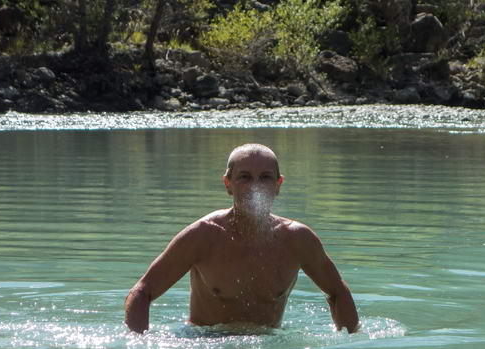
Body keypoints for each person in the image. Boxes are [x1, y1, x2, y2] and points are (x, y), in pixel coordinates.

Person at [124, 143, 359, 334]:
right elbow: (142, 292)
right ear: (228, 184)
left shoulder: (297, 239)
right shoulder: (203, 236)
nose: (255, 187)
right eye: (244, 177)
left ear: (278, 185)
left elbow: (338, 292)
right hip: (205, 346)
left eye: (265, 177)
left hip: (269, 347)